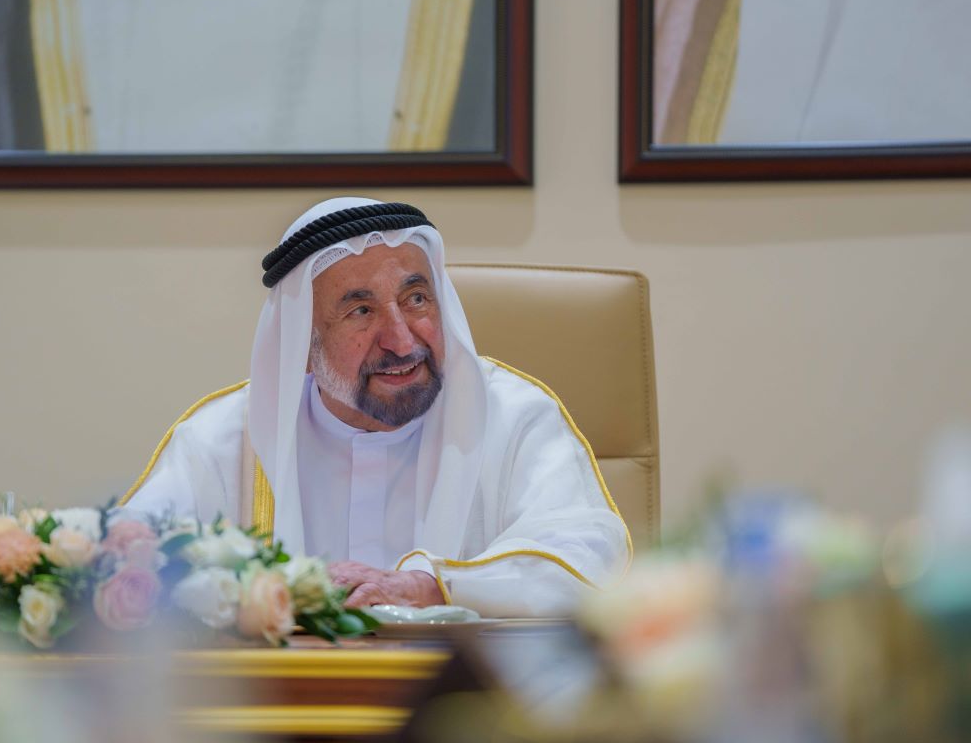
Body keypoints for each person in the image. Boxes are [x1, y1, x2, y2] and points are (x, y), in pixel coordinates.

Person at [119, 197, 630, 616]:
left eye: (416, 299)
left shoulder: (514, 416)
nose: (402, 341)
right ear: (302, 346)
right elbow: (124, 565)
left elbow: (586, 555)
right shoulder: (226, 439)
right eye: (361, 311)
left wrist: (432, 587)